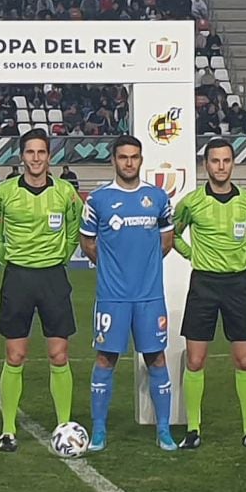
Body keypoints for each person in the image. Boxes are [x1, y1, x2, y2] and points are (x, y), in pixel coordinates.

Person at [79, 135, 177, 451]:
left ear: (141, 159)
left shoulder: (159, 197)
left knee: (156, 358)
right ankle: (99, 430)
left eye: (134, 157)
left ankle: (163, 430)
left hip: (149, 297)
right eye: (123, 157)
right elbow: (87, 243)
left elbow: (167, 239)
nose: (129, 162)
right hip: (112, 297)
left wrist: (143, 267)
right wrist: (112, 268)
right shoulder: (97, 201)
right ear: (114, 160)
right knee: (106, 359)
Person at [0, 129, 82, 452]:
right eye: (30, 152)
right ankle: (8, 429)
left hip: (53, 277)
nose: (36, 158)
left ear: (49, 156)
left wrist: (59, 258)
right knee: (16, 355)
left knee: (59, 354)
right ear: (22, 156)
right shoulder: (4, 193)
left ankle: (64, 426)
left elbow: (74, 231)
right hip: (18, 278)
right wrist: (14, 262)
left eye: (42, 152)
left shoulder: (66, 193)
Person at [172, 137, 246, 451]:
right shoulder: (191, 202)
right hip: (203, 285)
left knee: (244, 360)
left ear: (233, 164)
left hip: (238, 285)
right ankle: (194, 430)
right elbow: (172, 232)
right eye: (215, 161)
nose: (221, 166)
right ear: (206, 165)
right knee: (196, 360)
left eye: (226, 161)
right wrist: (190, 255)